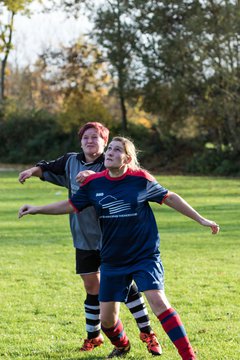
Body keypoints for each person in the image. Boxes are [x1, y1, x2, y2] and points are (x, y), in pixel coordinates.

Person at [19, 136, 220, 359]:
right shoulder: (94, 183)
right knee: (106, 321)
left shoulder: (139, 180)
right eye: (110, 149)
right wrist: (37, 209)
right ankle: (122, 345)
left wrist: (201, 219)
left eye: (116, 150)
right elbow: (71, 205)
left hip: (144, 256)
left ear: (127, 158)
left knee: (158, 302)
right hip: (113, 259)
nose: (110, 153)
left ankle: (189, 356)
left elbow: (170, 197)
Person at [18, 123, 162, 355]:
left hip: (111, 238)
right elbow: (46, 168)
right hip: (83, 238)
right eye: (86, 137)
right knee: (92, 287)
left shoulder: (112, 161)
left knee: (127, 288)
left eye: (96, 137)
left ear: (105, 143)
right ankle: (95, 337)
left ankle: (147, 333)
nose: (90, 140)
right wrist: (31, 172)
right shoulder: (70, 162)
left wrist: (94, 175)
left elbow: (132, 178)